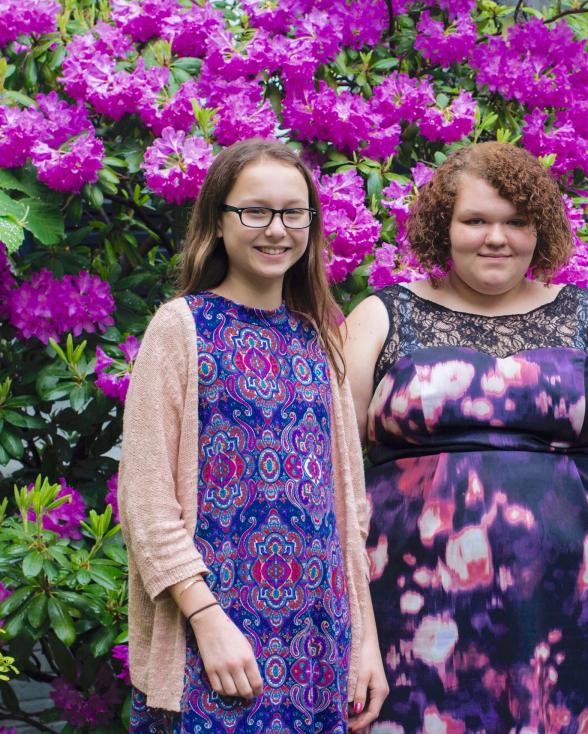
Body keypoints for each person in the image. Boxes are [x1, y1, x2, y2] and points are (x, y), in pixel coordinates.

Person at [344, 141, 588, 731]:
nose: (497, 238)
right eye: (476, 221)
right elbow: (332, 464)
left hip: (570, 612)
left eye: (517, 222)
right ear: (445, 227)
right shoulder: (383, 317)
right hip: (410, 611)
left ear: (540, 232)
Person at [118, 139, 388, 733]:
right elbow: (144, 498)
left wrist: (362, 640)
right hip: (214, 646)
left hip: (318, 645)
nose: (277, 229)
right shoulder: (181, 328)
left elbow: (348, 510)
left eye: (294, 212)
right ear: (218, 222)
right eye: (255, 211)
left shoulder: (320, 337)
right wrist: (206, 619)